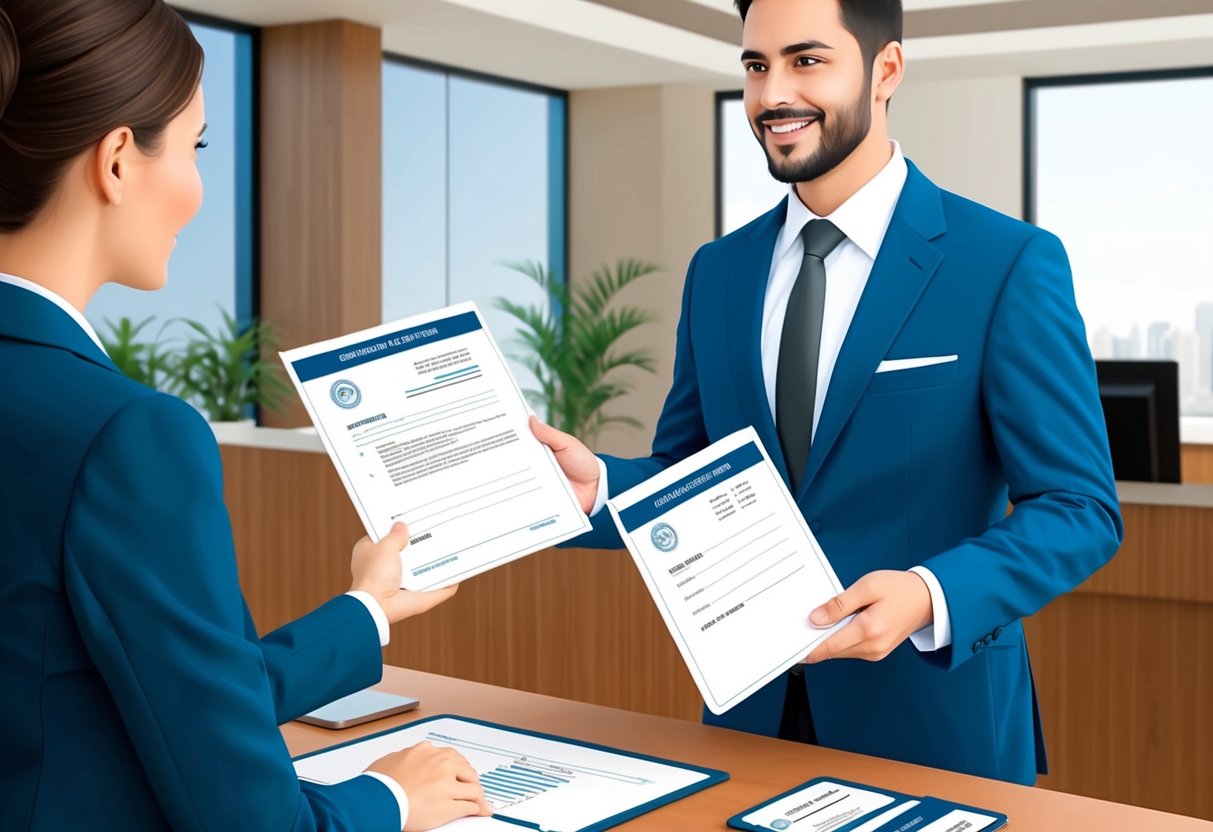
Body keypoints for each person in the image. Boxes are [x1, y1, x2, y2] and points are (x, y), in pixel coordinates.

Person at [532, 0, 1122, 785]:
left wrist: (927, 593)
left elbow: (1078, 509)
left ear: (885, 72)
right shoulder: (719, 271)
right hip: (750, 719)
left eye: (805, 61)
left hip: (934, 727)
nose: (772, 93)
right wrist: (601, 487)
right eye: (754, 65)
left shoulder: (1004, 262)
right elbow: (697, 475)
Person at [0, 1, 491, 829]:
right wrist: (393, 796)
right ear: (118, 160)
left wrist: (365, 610)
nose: (197, 186)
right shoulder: (128, 436)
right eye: (194, 147)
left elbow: (150, 686)